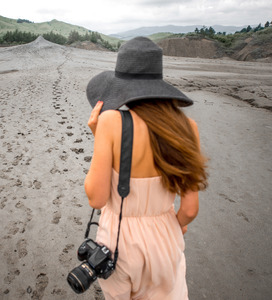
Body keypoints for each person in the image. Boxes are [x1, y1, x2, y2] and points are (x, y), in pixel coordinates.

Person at [84, 37, 208, 299]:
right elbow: (190, 209)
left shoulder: (111, 122)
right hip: (166, 240)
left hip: (120, 242)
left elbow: (96, 197)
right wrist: (173, 226)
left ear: (120, 87)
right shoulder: (188, 129)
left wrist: (100, 139)